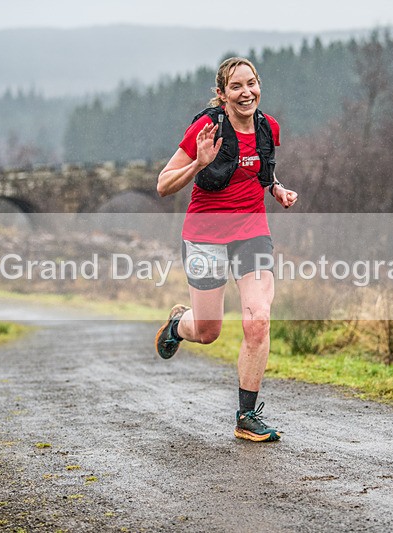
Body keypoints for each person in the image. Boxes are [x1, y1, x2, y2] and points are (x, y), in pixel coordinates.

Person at [155, 57, 298, 442]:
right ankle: (178, 325)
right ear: (222, 94)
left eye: (251, 83)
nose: (246, 92)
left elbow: (258, 167)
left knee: (258, 319)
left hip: (252, 234)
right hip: (205, 237)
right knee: (208, 332)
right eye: (236, 86)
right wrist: (197, 163)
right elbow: (164, 185)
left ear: (259, 85)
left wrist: (276, 188)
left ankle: (247, 417)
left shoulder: (268, 127)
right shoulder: (207, 128)